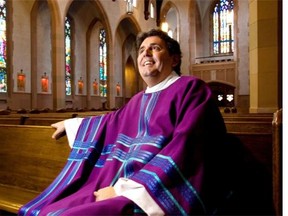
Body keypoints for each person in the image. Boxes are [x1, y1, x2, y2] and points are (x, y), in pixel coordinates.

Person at [18, 29, 258, 216]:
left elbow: (188, 149)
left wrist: (124, 189)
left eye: (155, 48)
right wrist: (72, 125)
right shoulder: (137, 100)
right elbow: (111, 122)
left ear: (174, 59)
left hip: (158, 192)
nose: (145, 54)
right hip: (127, 184)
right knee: (48, 210)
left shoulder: (191, 89)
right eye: (142, 49)